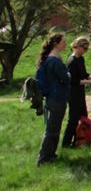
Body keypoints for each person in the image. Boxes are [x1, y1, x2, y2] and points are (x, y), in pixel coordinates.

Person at [36, 33, 70, 165]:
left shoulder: (49, 59)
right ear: (56, 43)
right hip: (57, 98)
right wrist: (68, 74)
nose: (65, 44)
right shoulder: (54, 61)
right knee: (52, 129)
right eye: (63, 41)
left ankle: (50, 155)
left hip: (53, 97)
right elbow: (66, 78)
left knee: (54, 128)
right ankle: (44, 158)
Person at [62, 37, 91, 148]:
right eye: (84, 48)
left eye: (87, 49)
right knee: (73, 119)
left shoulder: (80, 59)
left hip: (80, 92)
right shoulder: (72, 61)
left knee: (84, 116)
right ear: (77, 46)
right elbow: (72, 81)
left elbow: (84, 74)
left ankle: (82, 140)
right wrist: (89, 81)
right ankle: (66, 143)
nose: (85, 50)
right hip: (73, 93)